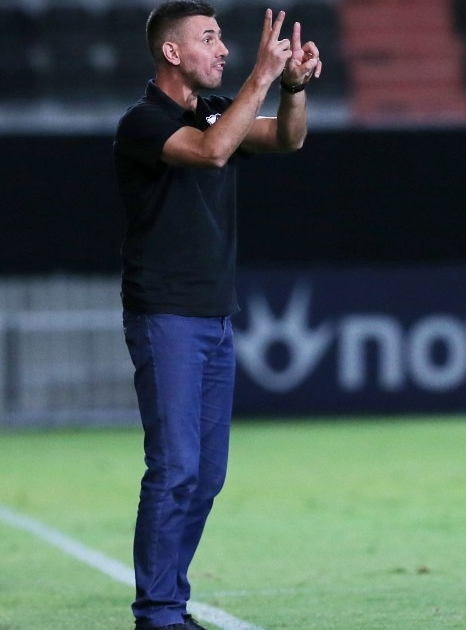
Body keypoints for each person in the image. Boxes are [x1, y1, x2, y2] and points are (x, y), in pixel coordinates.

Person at [112, 3, 321, 630]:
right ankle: (158, 613)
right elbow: (210, 152)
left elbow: (287, 138)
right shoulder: (143, 122)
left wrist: (291, 88)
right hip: (165, 314)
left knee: (205, 477)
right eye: (209, 38)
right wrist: (262, 75)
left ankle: (169, 603)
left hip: (214, 314)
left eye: (223, 38)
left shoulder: (214, 110)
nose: (223, 48)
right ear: (172, 52)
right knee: (175, 467)